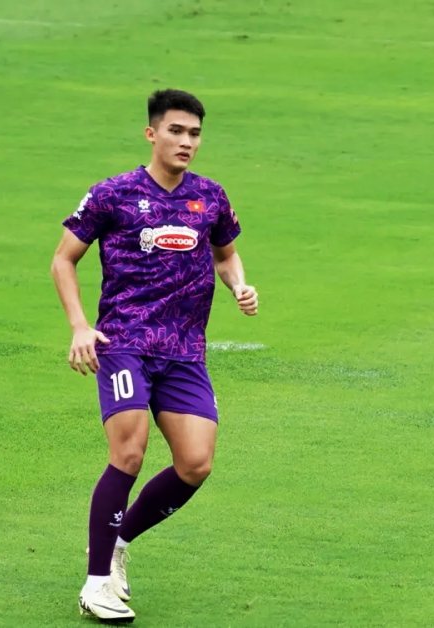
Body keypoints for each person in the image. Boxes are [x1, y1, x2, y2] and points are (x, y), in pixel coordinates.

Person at [50, 89, 258, 622]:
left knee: (196, 463)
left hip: (185, 350)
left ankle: (118, 543)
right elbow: (63, 260)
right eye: (176, 131)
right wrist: (80, 326)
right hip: (124, 343)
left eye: (195, 134)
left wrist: (238, 285)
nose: (187, 142)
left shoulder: (210, 196)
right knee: (129, 453)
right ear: (152, 133)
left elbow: (226, 255)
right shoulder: (113, 194)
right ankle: (96, 583)